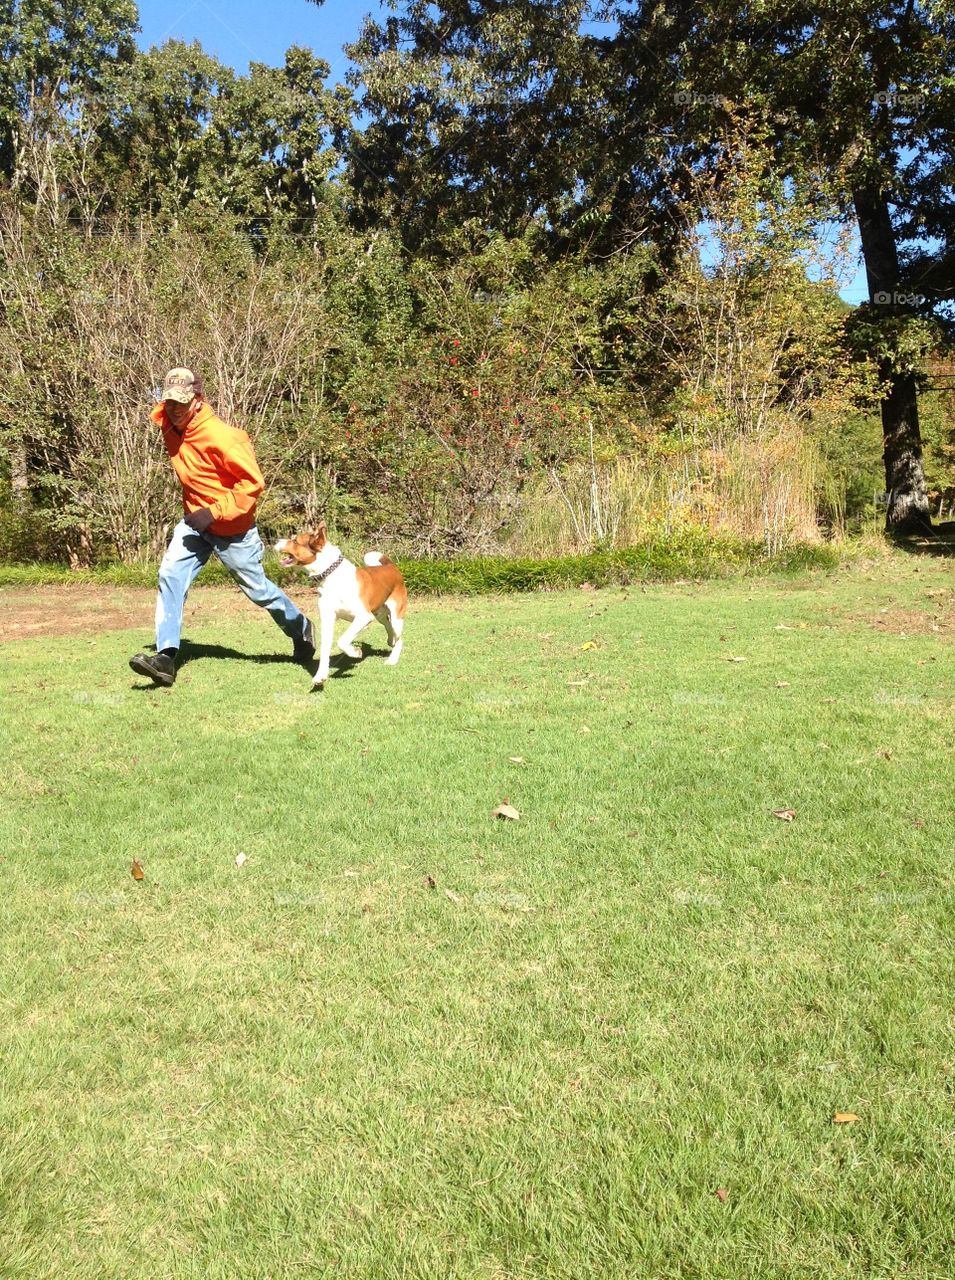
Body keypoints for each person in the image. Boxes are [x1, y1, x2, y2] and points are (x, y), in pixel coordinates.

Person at [129, 367, 314, 687]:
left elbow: (252, 484)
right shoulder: (168, 423)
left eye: (181, 403)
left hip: (233, 529)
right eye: (168, 402)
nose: (174, 409)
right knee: (170, 575)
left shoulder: (224, 437)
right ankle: (165, 657)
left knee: (258, 591)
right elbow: (153, 407)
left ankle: (301, 628)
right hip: (194, 523)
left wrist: (214, 512)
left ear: (198, 400)